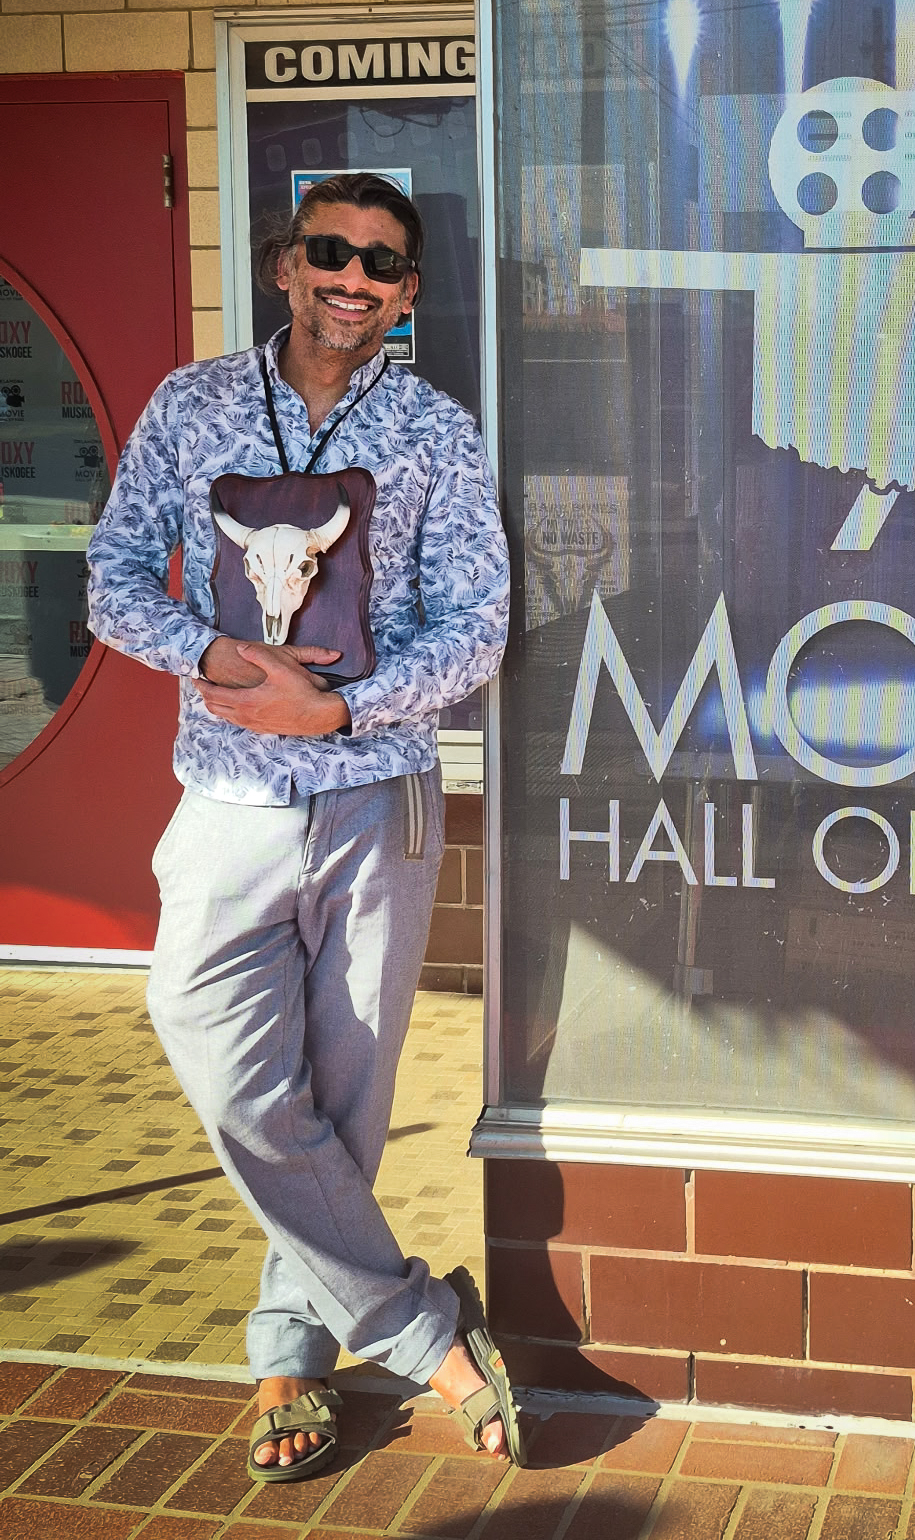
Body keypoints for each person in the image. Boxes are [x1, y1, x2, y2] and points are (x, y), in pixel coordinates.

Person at [87, 170, 517, 1481]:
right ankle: (417, 1325)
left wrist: (343, 714)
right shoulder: (192, 406)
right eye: (329, 251)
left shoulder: (438, 432)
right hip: (224, 801)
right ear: (285, 266)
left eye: (381, 265)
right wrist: (228, 668)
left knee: (345, 1097)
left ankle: (289, 1350)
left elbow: (478, 626)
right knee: (214, 1041)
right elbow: (111, 580)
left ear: (408, 294)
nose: (352, 277)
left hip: (374, 800)